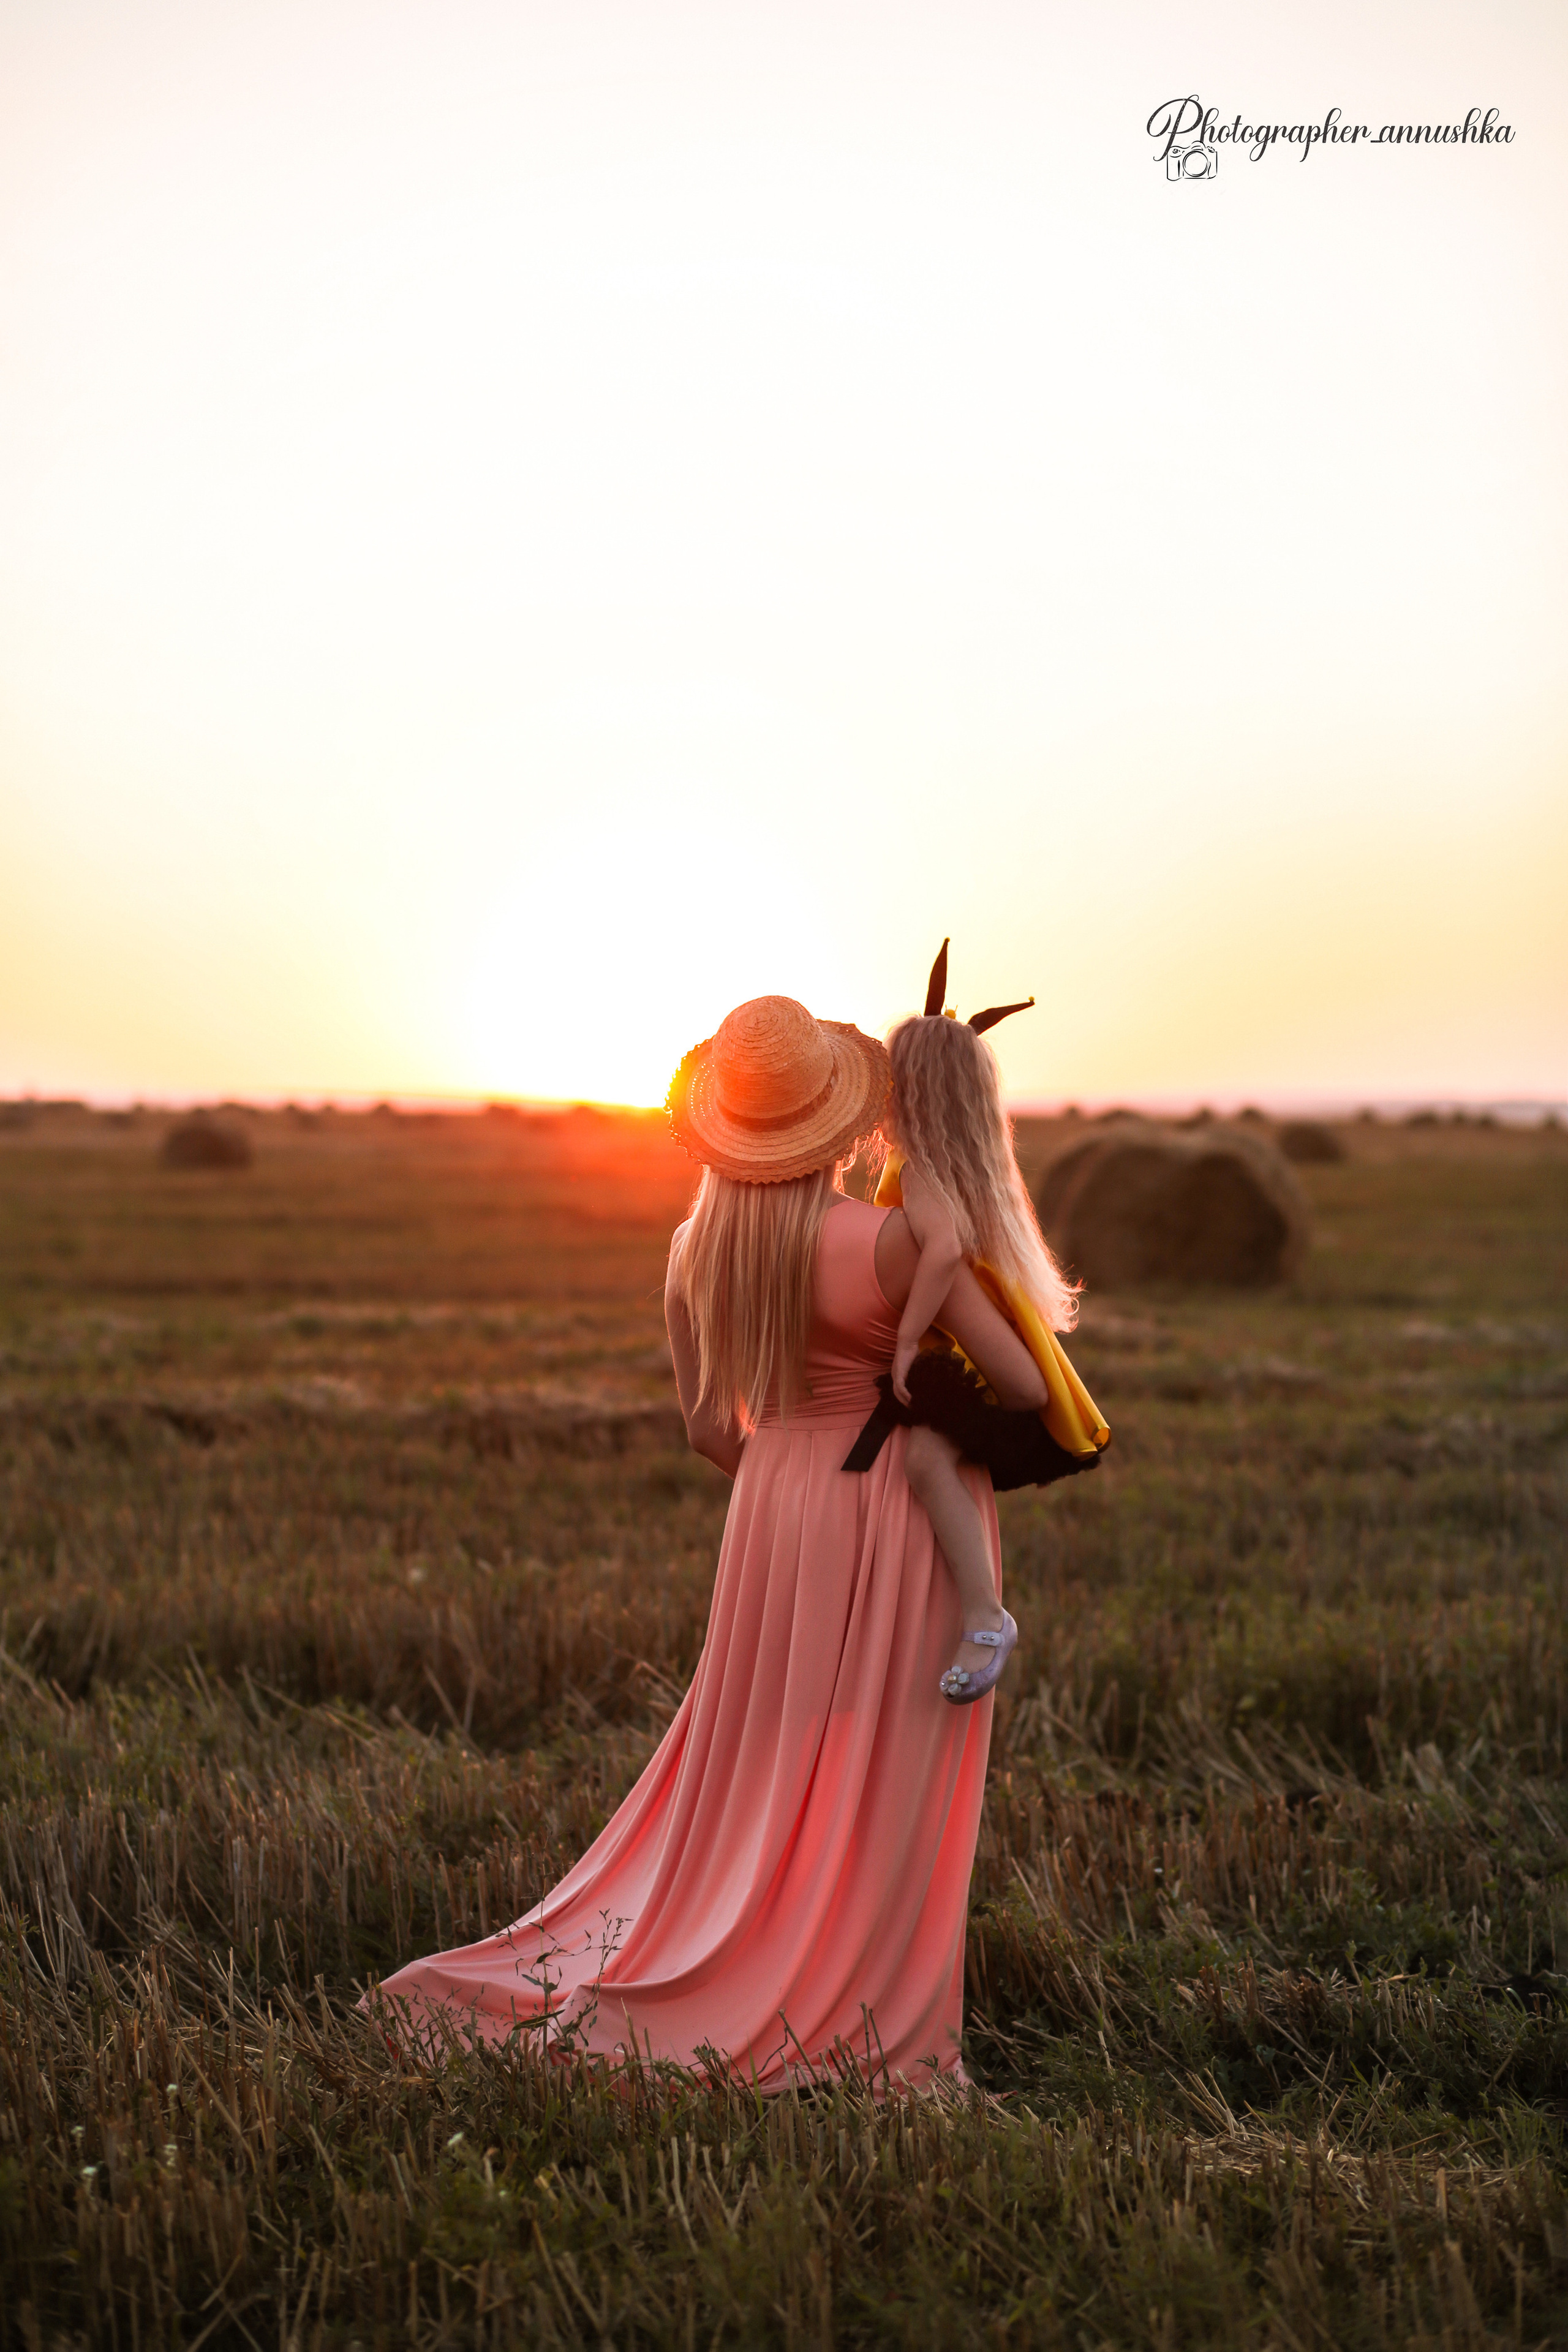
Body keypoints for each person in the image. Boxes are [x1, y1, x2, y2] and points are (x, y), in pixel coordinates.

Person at [368, 993, 1051, 2092]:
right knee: (886, 1769)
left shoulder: (693, 1247)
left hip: (770, 1512)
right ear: (843, 1123)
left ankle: (739, 1959)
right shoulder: (888, 1241)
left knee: (759, 1765)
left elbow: (701, 1428)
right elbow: (1020, 1388)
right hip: (884, 1507)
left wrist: (788, 1478)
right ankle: (856, 2008)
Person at [843, 943, 1110, 1703]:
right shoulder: (925, 1164)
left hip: (965, 1341)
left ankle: (986, 1616)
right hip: (969, 1331)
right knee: (919, 1465)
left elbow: (946, 1250)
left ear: (910, 1093)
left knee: (926, 1464)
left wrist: (902, 1340)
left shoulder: (920, 1170)